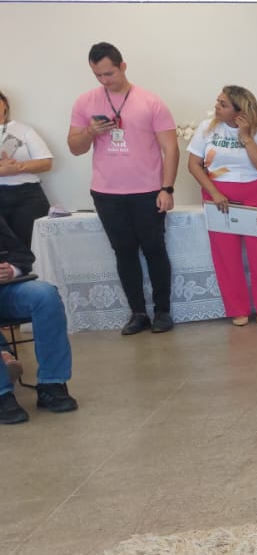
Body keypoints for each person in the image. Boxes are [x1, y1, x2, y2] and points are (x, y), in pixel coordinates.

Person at [66, 42, 179, 335]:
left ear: (123, 66)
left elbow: (170, 148)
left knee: (154, 249)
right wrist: (90, 132)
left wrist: (167, 188)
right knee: (124, 252)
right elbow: (75, 148)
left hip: (148, 190)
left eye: (109, 73)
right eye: (98, 75)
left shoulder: (150, 102)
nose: (104, 80)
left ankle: (163, 311)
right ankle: (138, 313)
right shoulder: (85, 102)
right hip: (107, 192)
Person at [186, 86, 257, 326]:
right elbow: (194, 165)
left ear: (240, 111)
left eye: (223, 104)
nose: (216, 106)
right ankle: (237, 309)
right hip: (218, 195)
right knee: (226, 255)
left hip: (255, 192)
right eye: (218, 101)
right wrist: (214, 193)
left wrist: (246, 136)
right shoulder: (207, 127)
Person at [0, 215, 75, 424]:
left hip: (5, 290)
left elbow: (23, 255)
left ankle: (52, 383)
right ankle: (2, 394)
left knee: (45, 295)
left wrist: (11, 270)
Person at [0, 89, 55, 248]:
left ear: (5, 105)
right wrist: (3, 171)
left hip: (27, 196)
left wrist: (18, 167)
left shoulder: (24, 130)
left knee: (35, 247)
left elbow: (46, 162)